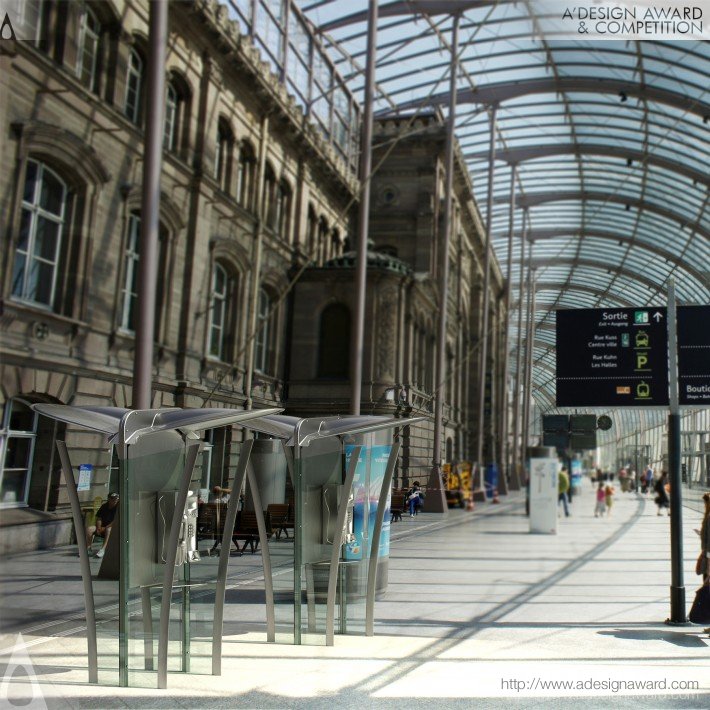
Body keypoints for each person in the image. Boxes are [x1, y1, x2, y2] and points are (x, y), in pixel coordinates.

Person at [85, 492, 119, 558]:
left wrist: (106, 527)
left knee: (108, 529)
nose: (115, 500)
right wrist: (98, 527)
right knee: (89, 529)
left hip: (112, 528)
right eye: (113, 499)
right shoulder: (104, 506)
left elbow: (116, 520)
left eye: (116, 499)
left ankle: (103, 549)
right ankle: (88, 548)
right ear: (109, 499)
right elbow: (99, 518)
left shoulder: (118, 508)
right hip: (102, 527)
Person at [695, 492, 710, 585]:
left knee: (706, 581)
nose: (704, 505)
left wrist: (708, 558)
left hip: (708, 554)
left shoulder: (709, 517)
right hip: (707, 553)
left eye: (704, 503)